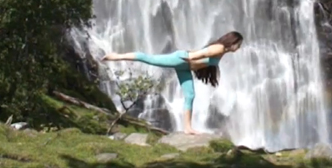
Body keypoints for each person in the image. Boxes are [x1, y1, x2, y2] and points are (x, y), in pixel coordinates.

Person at [100, 31, 244, 135]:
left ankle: (188, 128)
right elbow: (202, 54)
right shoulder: (219, 48)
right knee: (149, 59)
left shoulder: (222, 51)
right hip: (181, 59)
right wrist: (190, 58)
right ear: (233, 42)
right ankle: (116, 56)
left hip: (185, 67)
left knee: (190, 95)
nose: (239, 47)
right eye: (239, 44)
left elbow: (205, 61)